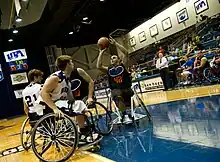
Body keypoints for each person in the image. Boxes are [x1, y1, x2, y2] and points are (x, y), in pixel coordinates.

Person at [36, 55, 93, 140]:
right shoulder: (56, 77)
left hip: (57, 102)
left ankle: (82, 130)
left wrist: (81, 109)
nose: (73, 64)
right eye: (71, 62)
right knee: (79, 104)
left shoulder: (66, 79)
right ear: (67, 64)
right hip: (46, 105)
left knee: (78, 104)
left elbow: (71, 98)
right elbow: (43, 93)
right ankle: (83, 131)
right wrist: (55, 108)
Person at [96, 37, 134, 123]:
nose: (112, 59)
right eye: (111, 58)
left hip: (126, 88)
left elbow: (126, 53)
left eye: (114, 57)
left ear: (119, 59)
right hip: (116, 90)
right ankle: (125, 115)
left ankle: (129, 111)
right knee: (118, 94)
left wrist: (116, 44)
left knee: (124, 95)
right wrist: (101, 53)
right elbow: (98, 66)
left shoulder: (123, 65)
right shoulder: (109, 69)